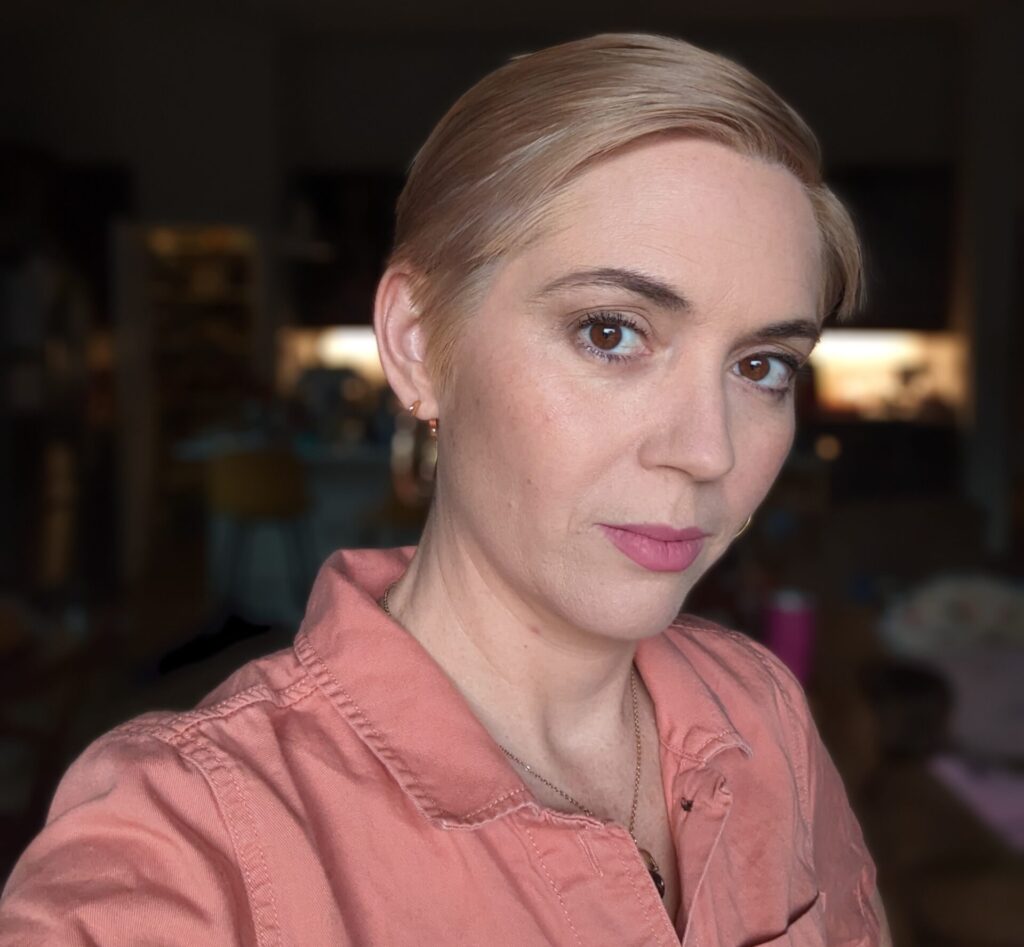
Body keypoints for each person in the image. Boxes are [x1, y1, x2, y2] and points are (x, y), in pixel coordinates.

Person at [0, 33, 891, 946]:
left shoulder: (762, 709)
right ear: (419, 344)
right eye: (612, 333)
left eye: (762, 365)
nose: (707, 450)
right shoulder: (185, 845)